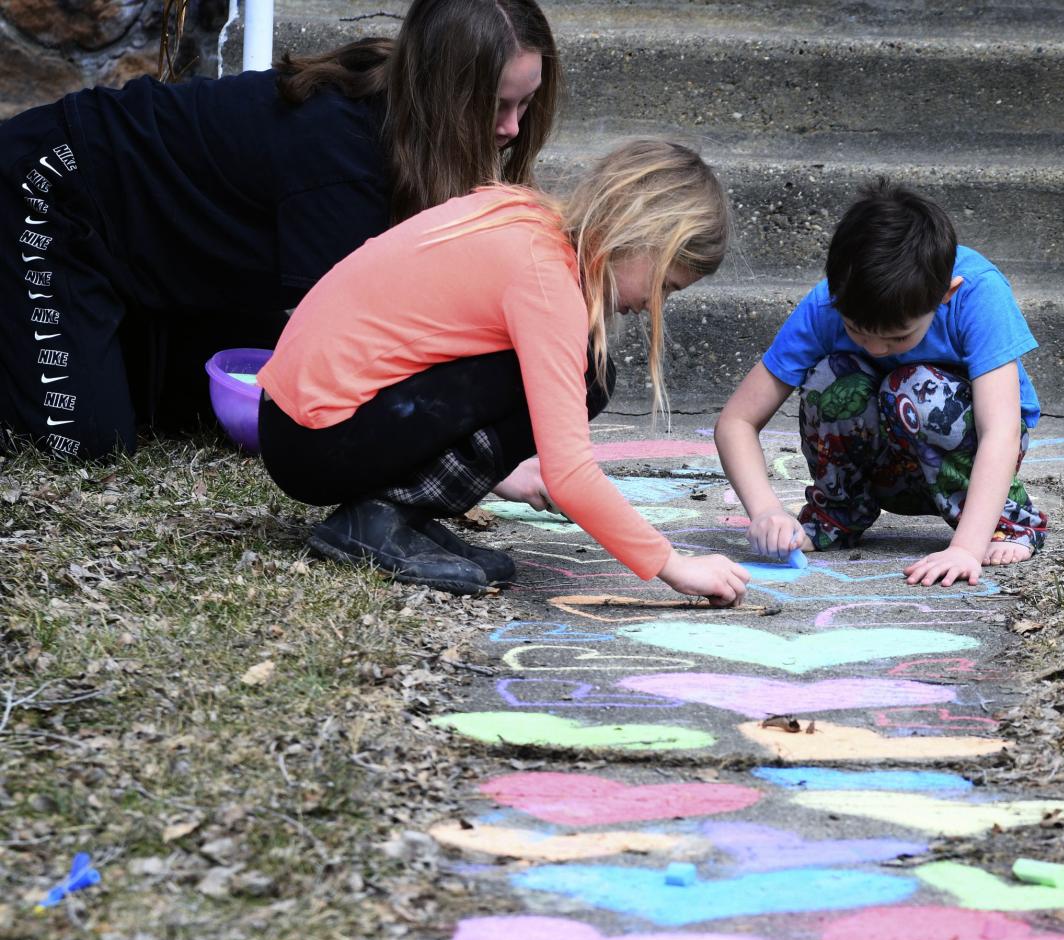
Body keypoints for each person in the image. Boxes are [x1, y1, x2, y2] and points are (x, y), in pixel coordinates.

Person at [0, 0, 559, 461]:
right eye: (493, 106)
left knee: (210, 411)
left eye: (525, 103)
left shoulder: (405, 110)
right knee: (82, 442)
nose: (511, 127)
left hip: (165, 252)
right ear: (441, 93)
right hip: (51, 192)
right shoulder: (342, 160)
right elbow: (369, 347)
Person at [256, 138, 751, 603]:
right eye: (664, 286)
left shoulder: (526, 219)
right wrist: (674, 564)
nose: (650, 305)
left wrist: (503, 471)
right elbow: (571, 474)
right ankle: (381, 516)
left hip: (299, 424)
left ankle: (402, 512)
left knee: (589, 371)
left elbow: (428, 347)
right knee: (589, 377)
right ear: (645, 237)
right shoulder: (546, 284)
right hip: (316, 442)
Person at [714, 178, 1048, 587]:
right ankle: (839, 515)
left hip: (967, 462)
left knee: (911, 385)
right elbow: (737, 422)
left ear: (945, 294)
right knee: (830, 376)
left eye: (898, 337)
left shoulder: (977, 293)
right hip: (884, 465)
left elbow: (1001, 429)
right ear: (836, 295)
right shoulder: (827, 304)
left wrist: (967, 548)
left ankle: (1008, 523)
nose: (875, 348)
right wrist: (765, 510)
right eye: (856, 329)